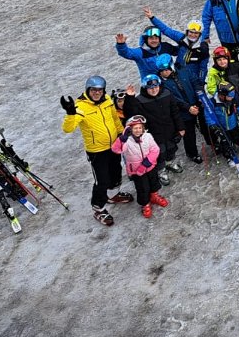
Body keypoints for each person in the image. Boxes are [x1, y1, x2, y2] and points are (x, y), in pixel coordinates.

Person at [60, 75, 132, 226]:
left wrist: (121, 134)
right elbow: (68, 129)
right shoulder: (80, 106)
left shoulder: (107, 100)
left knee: (116, 172)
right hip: (97, 151)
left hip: (113, 145)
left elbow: (114, 118)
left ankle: (113, 195)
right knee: (102, 180)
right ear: (88, 90)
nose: (97, 93)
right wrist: (70, 113)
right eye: (93, 90)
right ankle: (98, 208)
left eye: (100, 90)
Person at [123, 73, 187, 182]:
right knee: (158, 153)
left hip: (169, 130)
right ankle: (161, 170)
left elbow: (175, 112)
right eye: (150, 88)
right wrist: (130, 98)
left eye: (156, 87)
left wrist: (180, 127)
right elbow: (131, 114)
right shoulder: (140, 100)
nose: (154, 90)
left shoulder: (167, 94)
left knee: (171, 148)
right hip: (153, 134)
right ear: (145, 88)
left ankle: (170, 163)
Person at [111, 114, 168, 219]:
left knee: (154, 182)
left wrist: (146, 163)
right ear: (130, 129)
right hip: (136, 171)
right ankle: (145, 204)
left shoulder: (148, 136)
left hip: (150, 167)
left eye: (139, 128)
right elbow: (116, 150)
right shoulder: (127, 141)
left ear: (143, 128)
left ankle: (154, 196)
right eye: (135, 128)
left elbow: (155, 150)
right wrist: (122, 139)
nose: (138, 130)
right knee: (142, 188)